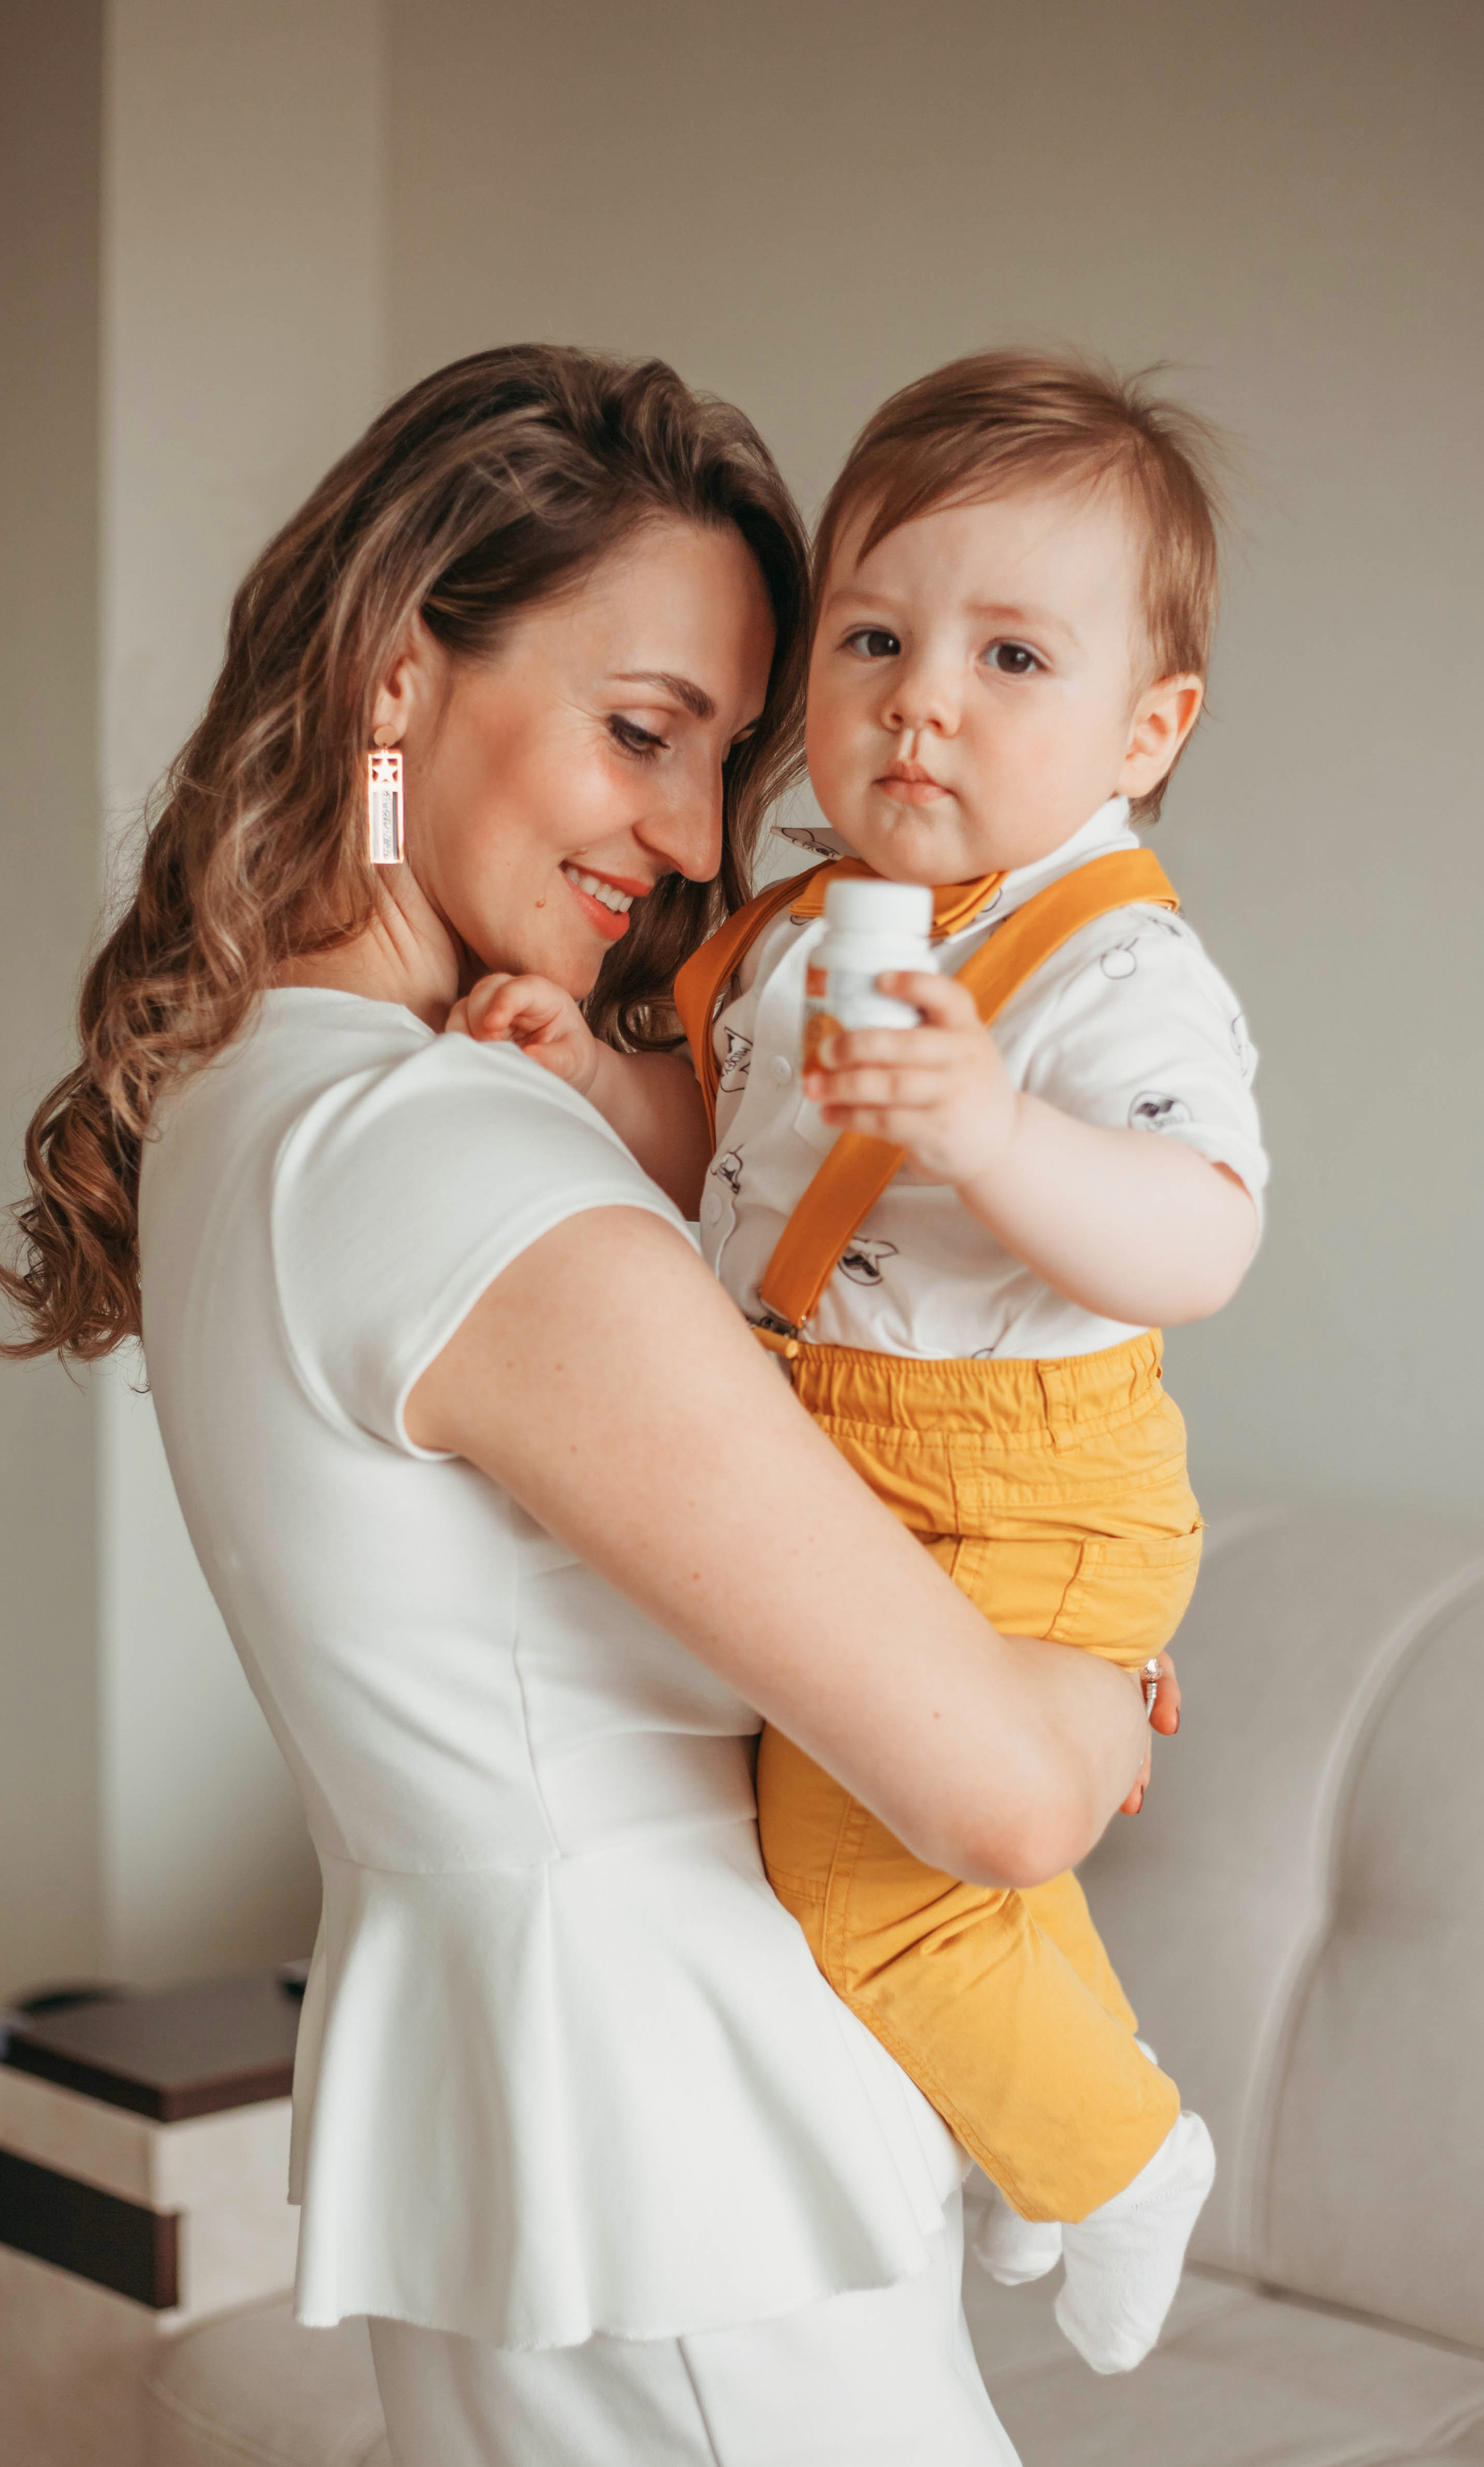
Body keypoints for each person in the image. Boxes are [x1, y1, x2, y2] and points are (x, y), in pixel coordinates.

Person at [1, 344, 1170, 2466]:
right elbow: (1000, 1796)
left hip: (556, 2160)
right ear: (390, 683)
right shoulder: (454, 1165)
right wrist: (1110, 1692)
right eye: (641, 730)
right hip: (694, 2183)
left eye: (728, 757)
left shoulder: (248, 1112)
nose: (702, 834)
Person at [446, 348, 1264, 2376]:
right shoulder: (810, 925)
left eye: (1011, 657)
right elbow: (734, 1166)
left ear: (1145, 729)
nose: (923, 699)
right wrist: (598, 1080)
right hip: (837, 1444)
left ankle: (1113, 2153)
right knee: (872, 1822)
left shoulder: (1111, 960)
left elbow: (1209, 1231)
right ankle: (1048, 2106)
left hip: (1022, 1478)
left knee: (849, 1855)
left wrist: (997, 1130)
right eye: (882, 637)